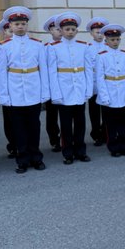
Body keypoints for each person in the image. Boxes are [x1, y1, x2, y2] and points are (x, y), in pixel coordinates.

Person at [0, 7, 49, 173]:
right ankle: (22, 159)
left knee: (34, 127)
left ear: (27, 25)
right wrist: (4, 96)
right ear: (10, 26)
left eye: (23, 24)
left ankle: (36, 157)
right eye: (16, 24)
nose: (20, 27)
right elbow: (1, 73)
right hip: (15, 92)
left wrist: (44, 92)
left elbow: (44, 70)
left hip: (33, 90)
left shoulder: (37, 45)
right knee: (18, 129)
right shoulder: (3, 47)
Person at [48, 12, 92, 165]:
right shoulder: (54, 47)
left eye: (73, 29)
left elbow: (88, 69)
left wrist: (88, 90)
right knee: (66, 125)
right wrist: (56, 94)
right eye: (67, 29)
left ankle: (81, 151)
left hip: (79, 89)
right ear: (61, 31)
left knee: (80, 123)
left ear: (77, 31)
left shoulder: (83, 46)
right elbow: (52, 73)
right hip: (64, 90)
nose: (70, 32)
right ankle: (68, 152)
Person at [95, 25, 125, 157]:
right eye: (112, 40)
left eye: (117, 39)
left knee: (123, 123)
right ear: (106, 40)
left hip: (122, 92)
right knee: (110, 124)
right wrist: (104, 96)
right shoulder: (101, 56)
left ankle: (123, 146)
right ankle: (113, 147)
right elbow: (100, 78)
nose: (115, 42)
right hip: (109, 92)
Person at [85, 17, 110, 146]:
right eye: (96, 32)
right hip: (94, 82)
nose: (99, 35)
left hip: (106, 83)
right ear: (91, 33)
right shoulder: (87, 47)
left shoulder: (108, 46)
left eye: (102, 32)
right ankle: (96, 134)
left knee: (106, 110)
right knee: (94, 111)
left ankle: (106, 132)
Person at [0, 19, 16, 158]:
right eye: (9, 31)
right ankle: (13, 145)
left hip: (18, 88)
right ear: (4, 32)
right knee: (9, 121)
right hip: (7, 88)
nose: (11, 33)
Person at [43, 15, 62, 151]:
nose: (59, 31)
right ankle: (54, 139)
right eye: (56, 29)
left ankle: (68, 138)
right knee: (52, 115)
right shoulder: (45, 47)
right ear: (50, 31)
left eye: (60, 28)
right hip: (51, 86)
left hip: (66, 86)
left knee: (67, 115)